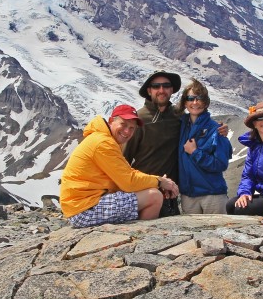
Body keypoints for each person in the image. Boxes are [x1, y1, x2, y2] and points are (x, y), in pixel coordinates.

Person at [60, 104, 179, 228]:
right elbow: (129, 182)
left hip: (83, 205)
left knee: (149, 191)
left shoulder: (105, 139)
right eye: (123, 124)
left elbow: (127, 172)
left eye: (132, 128)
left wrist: (158, 180)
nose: (127, 131)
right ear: (111, 121)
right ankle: (142, 236)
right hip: (84, 210)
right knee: (154, 197)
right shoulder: (103, 143)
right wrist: (160, 182)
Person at [124, 71, 183, 216]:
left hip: (170, 194)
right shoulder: (138, 119)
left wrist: (219, 129)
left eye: (166, 86)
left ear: (171, 90)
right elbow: (124, 158)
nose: (161, 90)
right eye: (156, 86)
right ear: (149, 91)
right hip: (145, 192)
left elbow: (198, 124)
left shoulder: (179, 116)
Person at [177, 79, 232, 214]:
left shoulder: (216, 130)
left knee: (219, 233)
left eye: (199, 98)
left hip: (212, 195)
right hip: (188, 195)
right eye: (191, 98)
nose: (195, 102)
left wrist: (195, 152)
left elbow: (220, 164)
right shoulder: (180, 125)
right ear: (185, 102)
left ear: (206, 103)